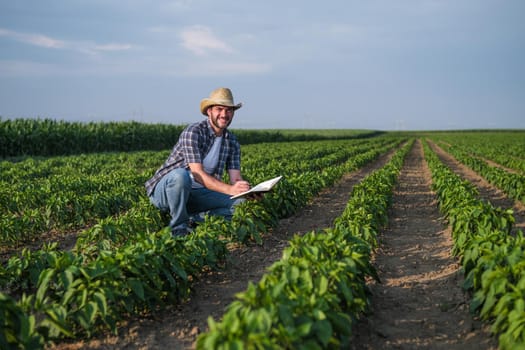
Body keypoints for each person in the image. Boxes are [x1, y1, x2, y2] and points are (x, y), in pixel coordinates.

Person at [145, 87, 252, 236]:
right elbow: (197, 174)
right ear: (209, 111)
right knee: (181, 176)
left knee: (241, 205)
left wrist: (247, 191)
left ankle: (194, 220)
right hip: (167, 192)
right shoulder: (194, 132)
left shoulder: (231, 141)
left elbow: (235, 179)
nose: (224, 114)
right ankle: (178, 227)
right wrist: (229, 190)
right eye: (219, 109)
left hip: (197, 194)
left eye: (229, 110)